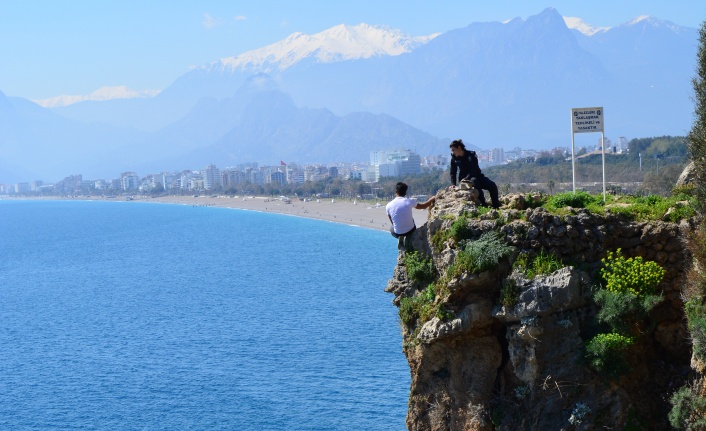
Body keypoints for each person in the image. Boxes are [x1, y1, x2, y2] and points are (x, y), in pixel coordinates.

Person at [449, 139, 500, 209]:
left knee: (492, 185)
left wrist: (467, 177)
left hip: (476, 175)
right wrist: (453, 184)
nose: (452, 152)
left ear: (459, 148)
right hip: (464, 180)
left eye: (453, 150)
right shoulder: (454, 158)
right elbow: (453, 172)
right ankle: (483, 204)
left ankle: (496, 206)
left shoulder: (471, 155)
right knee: (474, 181)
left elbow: (474, 168)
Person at [386, 182, 436, 250]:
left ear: (396, 192)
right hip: (411, 231)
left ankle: (401, 238)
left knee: (392, 229)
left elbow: (392, 222)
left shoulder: (388, 205)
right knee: (411, 219)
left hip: (398, 232)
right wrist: (432, 199)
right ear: (405, 193)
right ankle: (408, 237)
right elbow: (423, 206)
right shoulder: (409, 201)